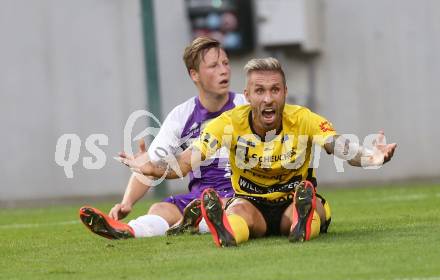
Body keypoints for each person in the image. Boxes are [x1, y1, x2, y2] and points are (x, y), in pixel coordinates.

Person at [118, 57, 397, 247]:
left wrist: (372, 157)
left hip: (292, 198)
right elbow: (187, 161)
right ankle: (225, 231)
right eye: (260, 90)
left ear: (285, 92)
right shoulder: (227, 124)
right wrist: (155, 169)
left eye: (275, 90)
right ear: (247, 95)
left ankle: (302, 217)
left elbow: (338, 145)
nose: (268, 98)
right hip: (252, 202)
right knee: (239, 211)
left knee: (313, 208)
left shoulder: (304, 118)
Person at [79, 36, 247, 240]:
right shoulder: (182, 115)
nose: (224, 70)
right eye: (213, 65)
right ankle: (128, 230)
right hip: (200, 198)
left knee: (230, 211)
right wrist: (127, 203)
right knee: (159, 209)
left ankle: (194, 223)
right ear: (194, 74)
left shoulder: (246, 106)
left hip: (241, 195)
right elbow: (152, 165)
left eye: (225, 63)